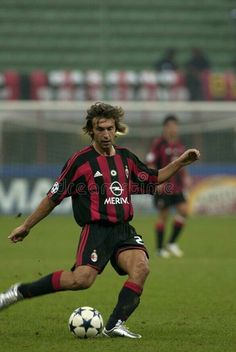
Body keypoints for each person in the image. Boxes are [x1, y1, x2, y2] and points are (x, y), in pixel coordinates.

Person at [0, 102, 200, 338]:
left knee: (141, 267)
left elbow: (154, 178)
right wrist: (26, 225)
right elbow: (54, 197)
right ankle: (20, 291)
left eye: (110, 129)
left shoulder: (126, 157)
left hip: (123, 229)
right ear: (91, 130)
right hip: (96, 230)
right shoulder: (80, 161)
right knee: (81, 280)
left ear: (117, 129)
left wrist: (181, 162)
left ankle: (115, 324)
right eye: (100, 129)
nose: (106, 134)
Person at [146, 115, 191, 258]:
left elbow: (183, 164)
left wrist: (186, 177)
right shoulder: (158, 143)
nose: (174, 129)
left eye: (176, 126)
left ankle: (171, 243)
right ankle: (160, 249)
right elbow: (151, 162)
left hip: (177, 186)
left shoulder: (179, 145)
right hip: (163, 185)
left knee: (184, 210)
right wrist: (155, 180)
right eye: (171, 126)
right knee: (163, 216)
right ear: (165, 127)